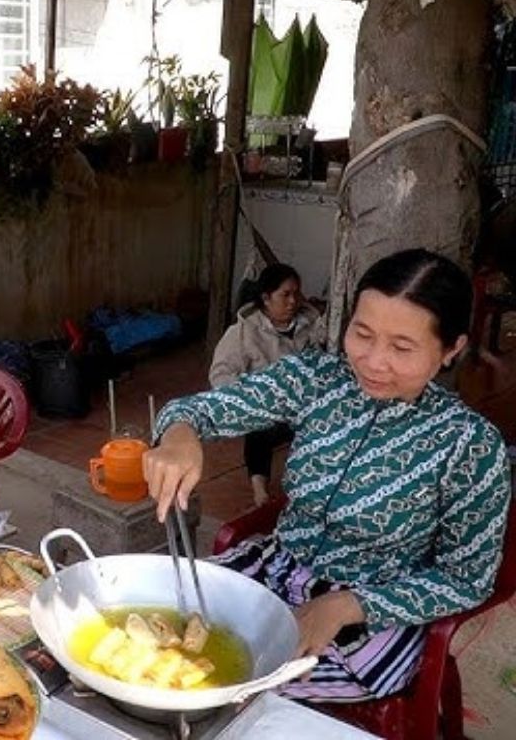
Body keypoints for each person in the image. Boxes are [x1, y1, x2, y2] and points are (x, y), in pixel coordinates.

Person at [143, 249, 510, 702]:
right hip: (270, 572)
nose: (373, 361)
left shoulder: (468, 444)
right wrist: (180, 436)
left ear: (451, 349)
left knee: (214, 691)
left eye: (401, 347)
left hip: (365, 625)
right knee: (145, 639)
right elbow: (197, 410)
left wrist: (343, 606)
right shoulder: (318, 379)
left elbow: (466, 578)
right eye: (362, 333)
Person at [210, 263, 323, 506]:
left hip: (306, 404)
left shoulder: (312, 324)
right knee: (259, 429)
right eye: (285, 295)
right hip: (269, 406)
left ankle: (311, 486)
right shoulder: (244, 332)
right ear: (266, 298)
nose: (293, 301)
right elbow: (221, 374)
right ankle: (260, 490)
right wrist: (254, 396)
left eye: (296, 293)